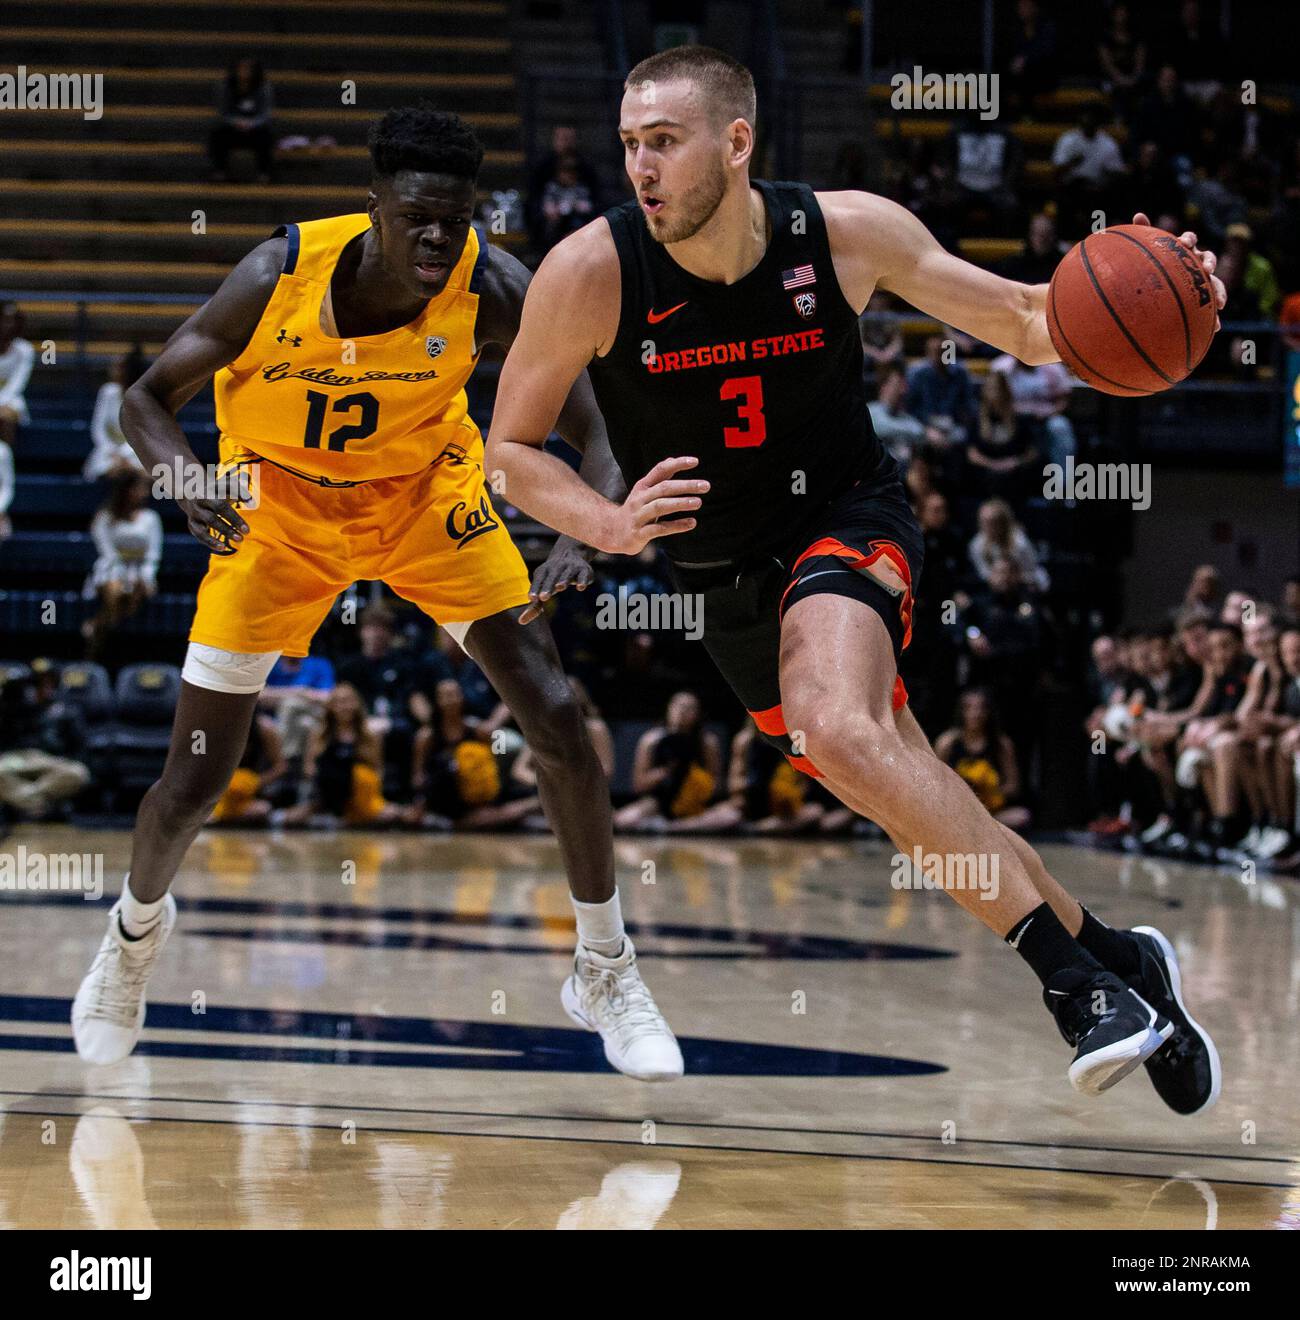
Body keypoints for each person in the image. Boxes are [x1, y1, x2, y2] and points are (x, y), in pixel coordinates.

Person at [485, 44, 1226, 1111]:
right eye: (628, 145)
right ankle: (1119, 960)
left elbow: (1027, 319)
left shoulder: (842, 234)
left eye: (663, 142)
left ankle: (1074, 989)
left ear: (736, 143)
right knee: (899, 783)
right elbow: (507, 450)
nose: (639, 167)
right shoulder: (589, 273)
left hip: (846, 517)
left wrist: (1158, 268)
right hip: (720, 579)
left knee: (839, 727)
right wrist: (602, 520)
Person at [71, 104, 682, 1084]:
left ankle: (604, 967)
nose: (438, 237)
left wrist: (582, 528)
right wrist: (187, 487)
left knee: (557, 714)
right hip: (272, 509)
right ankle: (132, 942)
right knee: (193, 778)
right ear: (375, 210)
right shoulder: (279, 273)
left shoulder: (494, 284)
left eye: (455, 217)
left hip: (424, 500)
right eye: (417, 219)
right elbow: (149, 399)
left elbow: (597, 422)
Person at [613, 690, 722, 831]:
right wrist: (666, 771)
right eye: (678, 706)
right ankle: (670, 825)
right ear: (668, 709)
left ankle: (672, 827)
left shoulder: (707, 742)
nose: (682, 711)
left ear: (698, 713)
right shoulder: (651, 740)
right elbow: (638, 785)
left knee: (730, 816)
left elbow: (717, 783)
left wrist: (695, 783)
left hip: (695, 804)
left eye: (689, 708)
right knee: (624, 820)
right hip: (658, 802)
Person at [82, 470, 162, 660]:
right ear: (127, 490)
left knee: (136, 589)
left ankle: (96, 626)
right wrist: (123, 576)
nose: (145, 492)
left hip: (139, 570)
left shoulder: (151, 518)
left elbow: (153, 554)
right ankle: (97, 643)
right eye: (140, 488)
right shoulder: (104, 517)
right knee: (117, 591)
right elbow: (107, 552)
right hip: (110, 569)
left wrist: (146, 576)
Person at [935, 688, 1030, 830]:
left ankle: (978, 826)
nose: (975, 714)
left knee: (1022, 816)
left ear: (988, 712)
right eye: (969, 708)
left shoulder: (1001, 744)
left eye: (981, 708)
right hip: (957, 808)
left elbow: (1013, 786)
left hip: (990, 811)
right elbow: (934, 782)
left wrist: (988, 789)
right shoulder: (947, 743)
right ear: (961, 712)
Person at [85, 347, 149, 482]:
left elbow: (142, 435)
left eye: (118, 367)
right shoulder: (108, 392)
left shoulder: (144, 397)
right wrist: (113, 453)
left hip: (135, 453)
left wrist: (125, 456)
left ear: (128, 371)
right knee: (108, 470)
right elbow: (98, 428)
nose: (113, 370)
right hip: (108, 451)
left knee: (141, 473)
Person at [209, 58, 275, 184]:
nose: (244, 72)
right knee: (217, 135)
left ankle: (264, 173)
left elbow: (266, 114)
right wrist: (236, 122)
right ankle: (219, 171)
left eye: (247, 69)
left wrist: (251, 124)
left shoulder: (264, 87)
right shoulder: (225, 86)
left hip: (255, 128)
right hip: (232, 127)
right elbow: (222, 112)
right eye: (241, 69)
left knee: (266, 136)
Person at [0, 302, 34, 452]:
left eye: (11, 320)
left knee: (7, 416)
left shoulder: (25, 349)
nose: (7, 325)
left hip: (11, 398)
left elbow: (18, 382)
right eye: (4, 319)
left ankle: (5, 460)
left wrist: (1, 405)